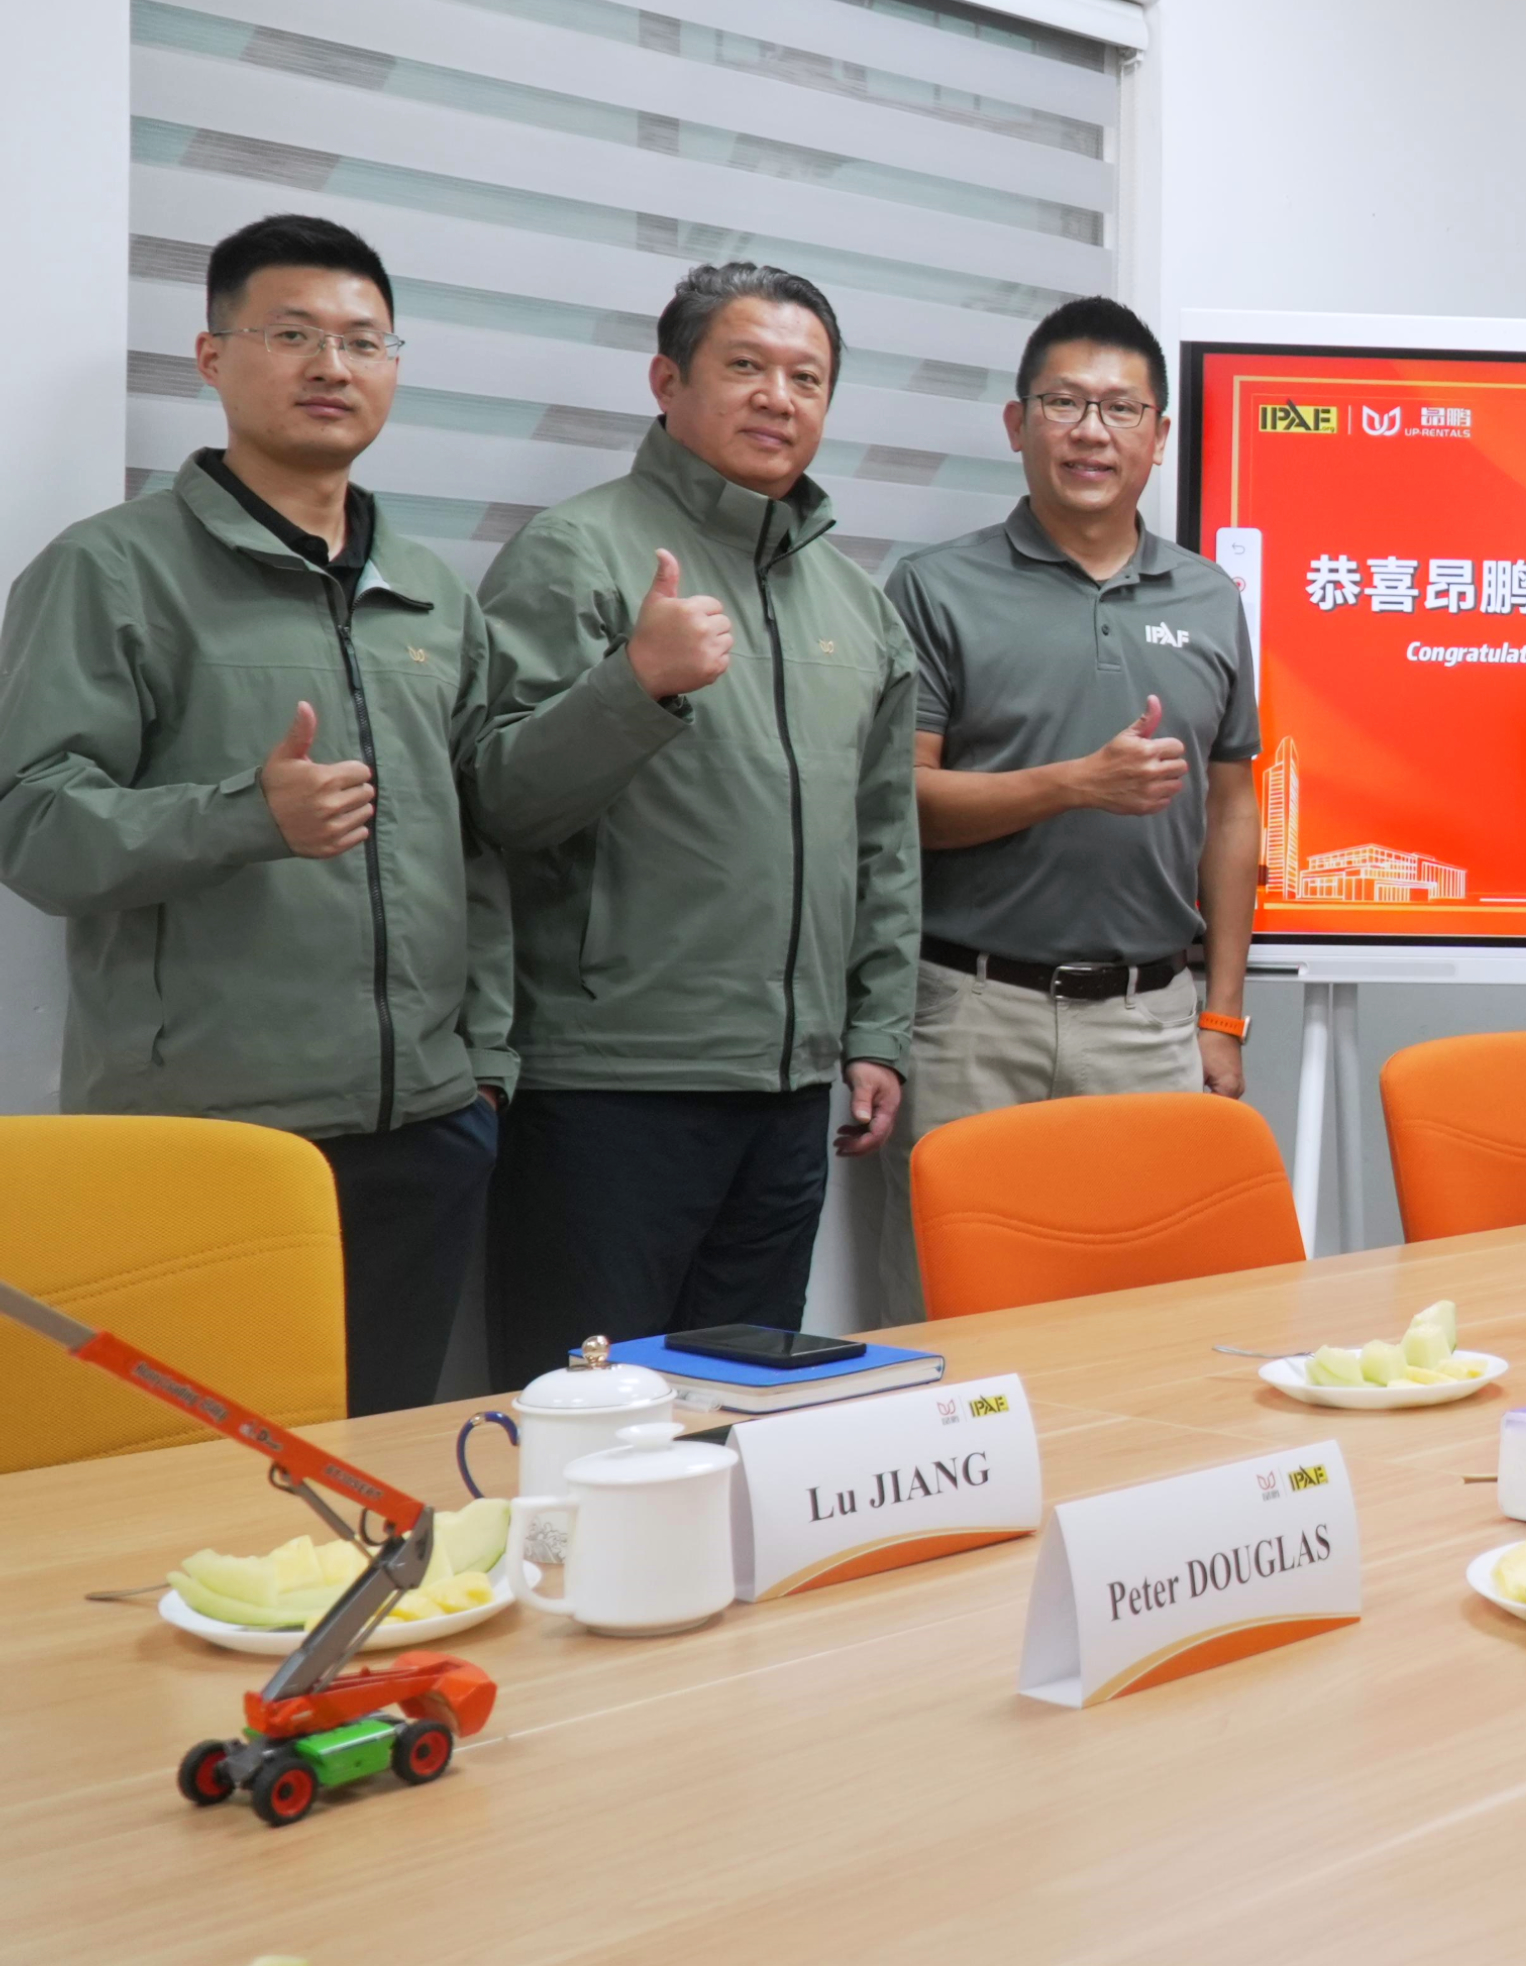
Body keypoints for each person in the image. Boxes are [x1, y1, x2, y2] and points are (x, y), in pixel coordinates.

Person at [0, 214, 507, 1414]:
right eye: (292, 335)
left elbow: (478, 840)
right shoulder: (111, 569)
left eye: (364, 341)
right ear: (213, 357)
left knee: (382, 1460)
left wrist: (484, 1063)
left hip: (425, 1127)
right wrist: (245, 816)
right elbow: (32, 826)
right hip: (207, 1137)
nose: (332, 365)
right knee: (204, 1477)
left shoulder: (433, 592)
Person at [469, 262, 920, 1382]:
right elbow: (500, 799)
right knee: (589, 1414)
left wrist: (875, 1032)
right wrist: (636, 685)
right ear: (667, 382)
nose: (778, 397)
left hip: (788, 1091)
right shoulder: (577, 551)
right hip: (610, 1084)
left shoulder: (855, 603)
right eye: (746, 366)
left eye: (806, 378)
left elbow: (883, 842)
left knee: (743, 1406)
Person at [880, 300, 1259, 1254]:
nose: (1093, 431)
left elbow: (1231, 810)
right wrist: (1075, 785)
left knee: (1141, 1305)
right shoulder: (935, 587)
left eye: (1122, 409)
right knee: (958, 1310)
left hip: (1151, 1021)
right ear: (1018, 424)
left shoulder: (1210, 598)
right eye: (1064, 403)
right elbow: (900, 805)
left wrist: (1222, 1015)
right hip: (971, 1019)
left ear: (1159, 437)